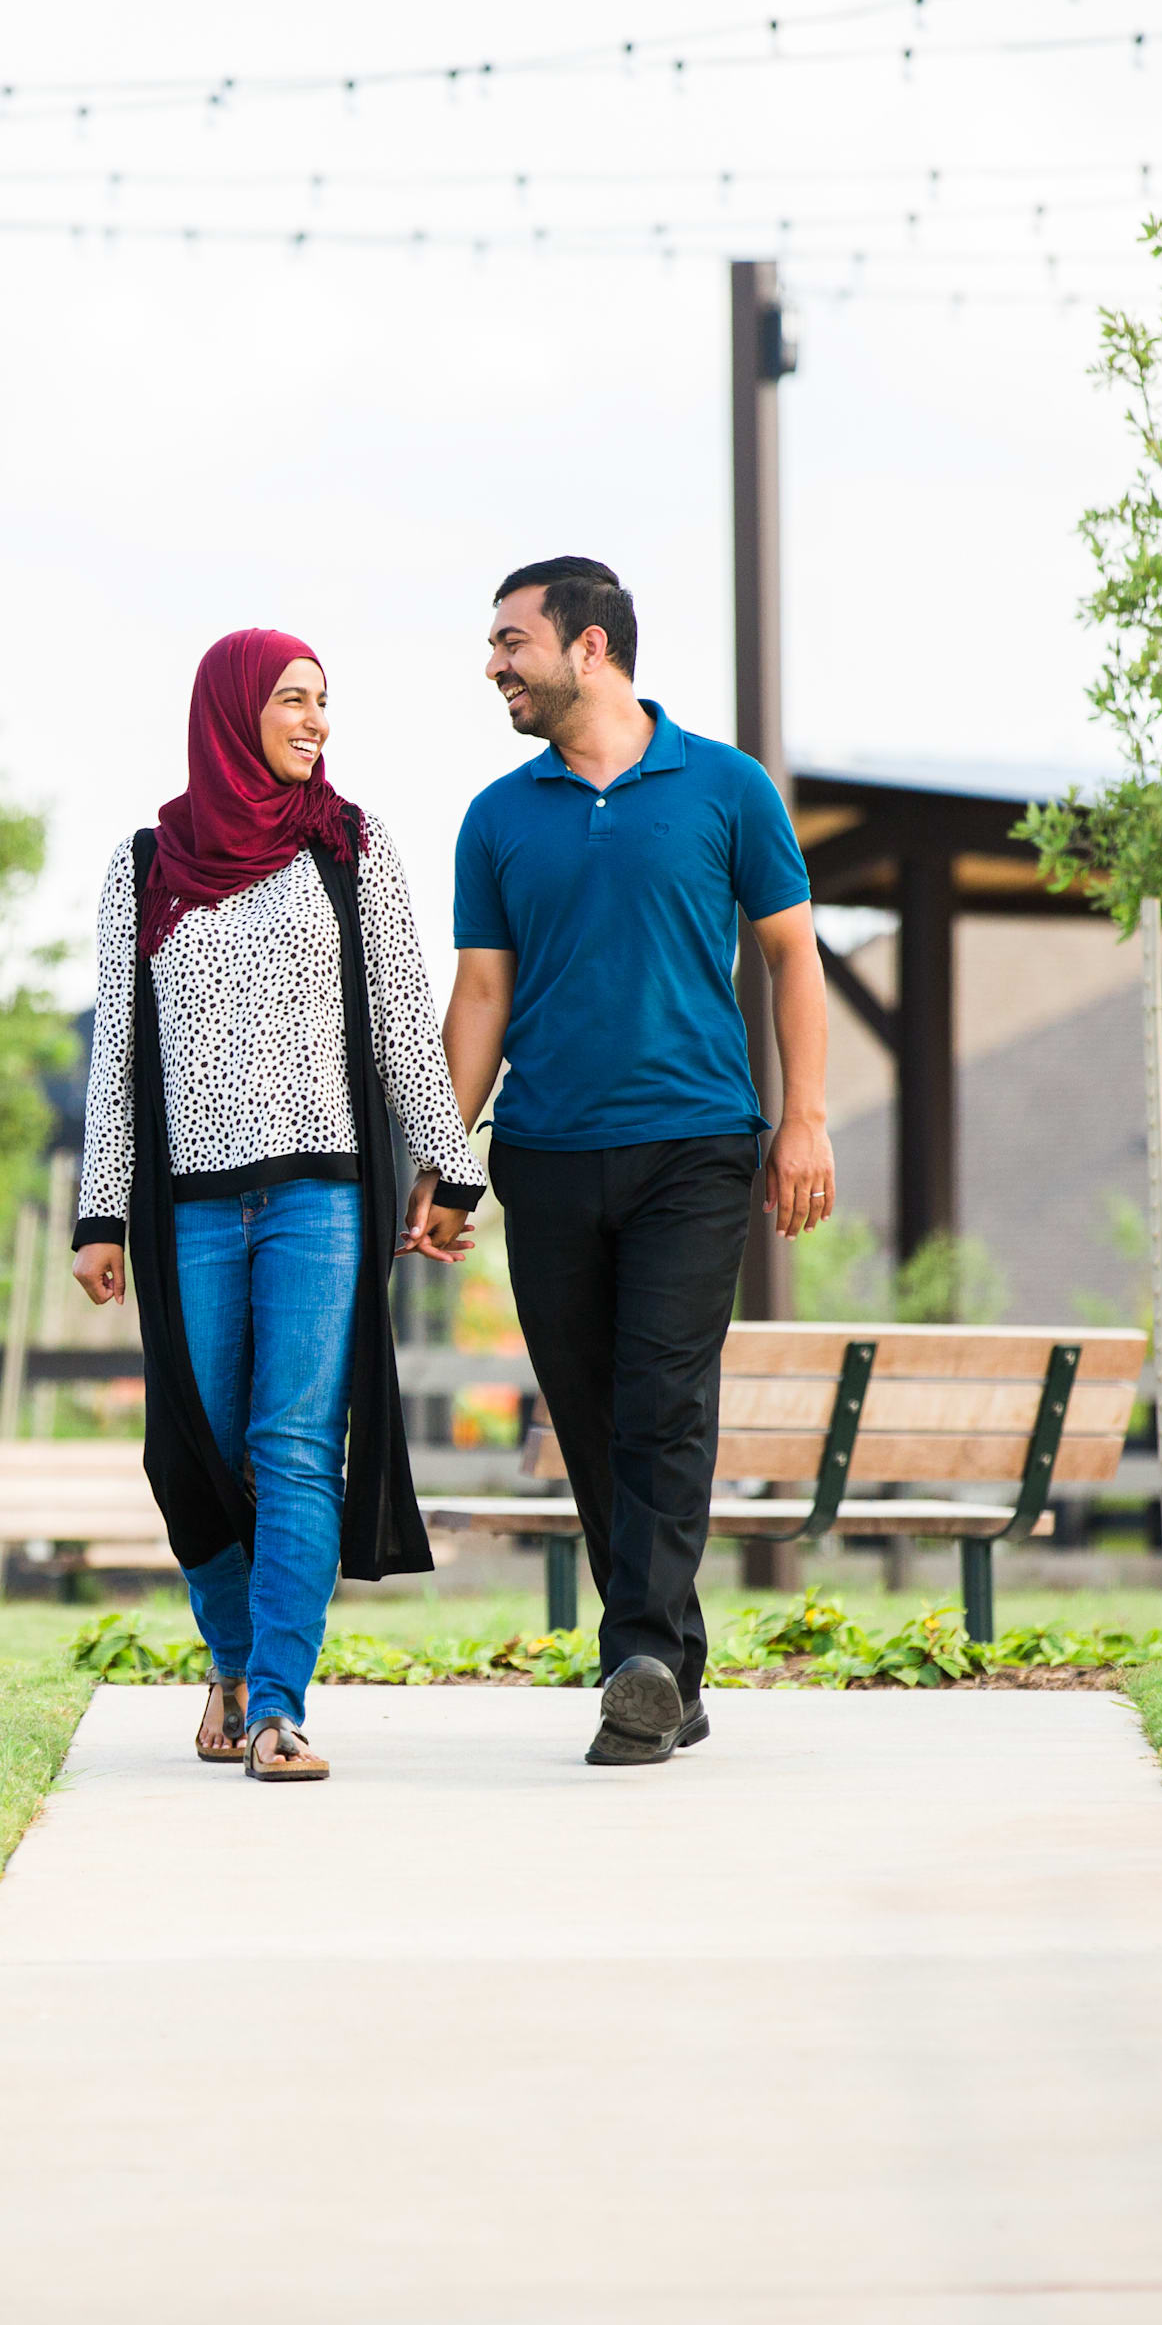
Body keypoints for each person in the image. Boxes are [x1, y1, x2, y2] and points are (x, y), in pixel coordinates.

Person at [444, 557, 838, 1767]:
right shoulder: (498, 815)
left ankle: (640, 1663)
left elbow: (791, 956)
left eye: (514, 641)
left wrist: (804, 1118)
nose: (495, 664)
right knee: (590, 1410)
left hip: (696, 1146)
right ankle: (669, 1662)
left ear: (592, 647)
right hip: (549, 1153)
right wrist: (441, 1157)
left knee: (665, 1398)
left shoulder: (726, 789)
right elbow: (481, 995)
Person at [72, 628, 485, 1783]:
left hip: (323, 1197)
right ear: (233, 711)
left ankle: (276, 1708)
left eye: (324, 702)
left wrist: (451, 1170)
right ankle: (235, 1662)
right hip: (189, 1208)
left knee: (296, 1446)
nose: (317, 722)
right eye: (294, 701)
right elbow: (121, 1051)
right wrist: (99, 1214)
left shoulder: (348, 845)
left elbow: (403, 1017)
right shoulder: (145, 861)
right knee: (191, 1455)